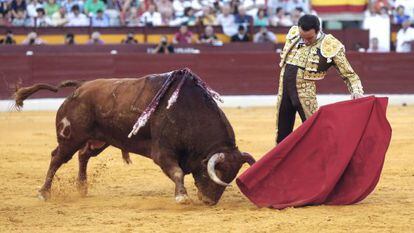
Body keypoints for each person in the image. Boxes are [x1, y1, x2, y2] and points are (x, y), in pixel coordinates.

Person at [275, 14, 364, 144]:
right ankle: (282, 163)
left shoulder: (330, 45)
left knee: (314, 132)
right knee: (282, 133)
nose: (305, 41)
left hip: (305, 93)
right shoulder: (294, 33)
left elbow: (350, 75)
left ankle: (322, 162)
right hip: (284, 90)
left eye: (309, 38)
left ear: (318, 30)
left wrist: (357, 91)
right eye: (302, 36)